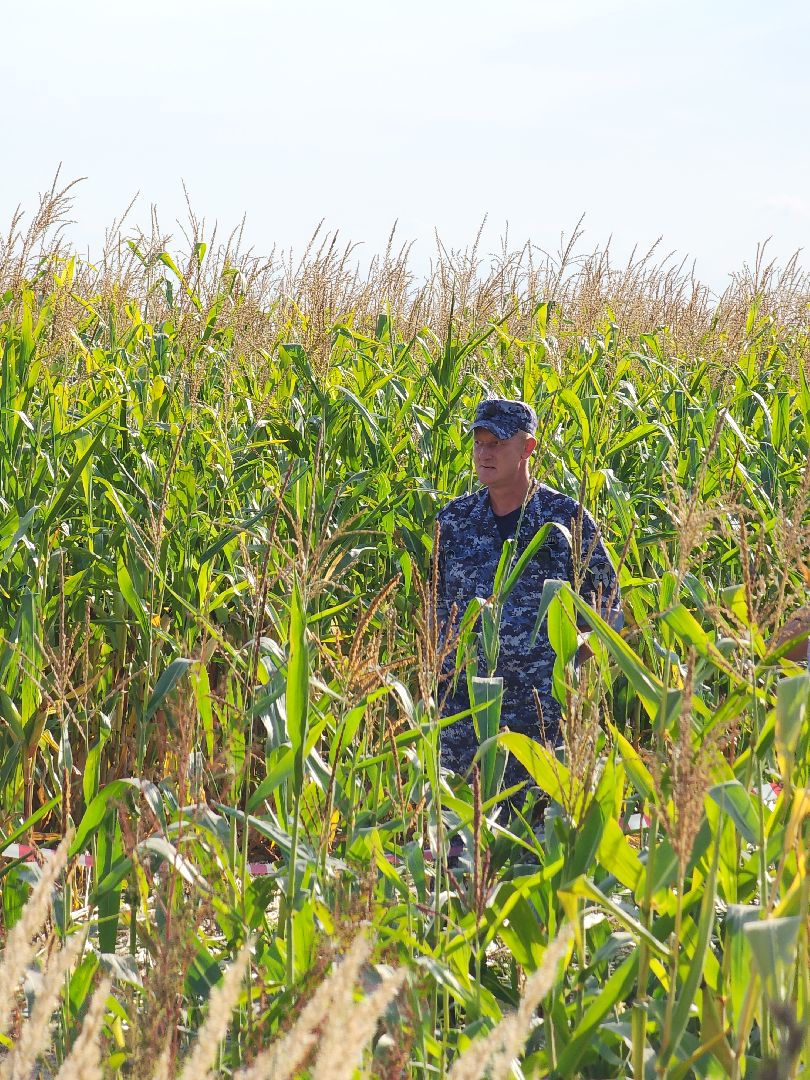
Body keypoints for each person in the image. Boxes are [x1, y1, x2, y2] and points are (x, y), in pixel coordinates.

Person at [435, 398, 621, 793]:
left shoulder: (564, 520)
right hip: (461, 722)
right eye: (479, 442)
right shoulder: (453, 521)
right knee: (458, 842)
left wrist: (566, 667)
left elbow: (607, 609)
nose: (484, 453)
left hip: (540, 720)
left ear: (528, 447)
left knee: (537, 839)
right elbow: (435, 609)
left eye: (497, 444)